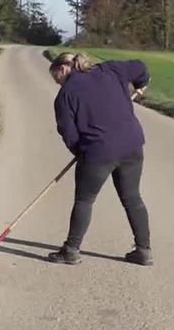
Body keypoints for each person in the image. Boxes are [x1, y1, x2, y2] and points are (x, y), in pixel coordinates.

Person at [48, 52, 152, 266]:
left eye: (56, 79)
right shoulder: (110, 69)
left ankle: (71, 250)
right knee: (132, 198)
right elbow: (140, 67)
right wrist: (141, 84)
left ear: (63, 69)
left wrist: (82, 152)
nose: (58, 84)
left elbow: (69, 135)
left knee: (85, 200)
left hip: (97, 152)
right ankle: (144, 251)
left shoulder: (65, 96)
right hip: (132, 145)